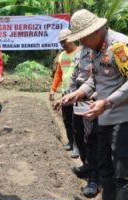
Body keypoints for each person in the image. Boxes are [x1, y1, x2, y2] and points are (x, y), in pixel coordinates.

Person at [60, 9, 128, 200]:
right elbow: (95, 79)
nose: (81, 42)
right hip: (106, 115)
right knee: (104, 164)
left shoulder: (120, 46)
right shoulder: (94, 48)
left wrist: (107, 102)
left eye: (83, 37)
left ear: (96, 30)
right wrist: (78, 93)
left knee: (123, 171)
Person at [65, 45, 99, 198]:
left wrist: (96, 96)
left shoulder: (100, 49)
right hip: (79, 95)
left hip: (93, 97)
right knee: (77, 131)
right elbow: (74, 75)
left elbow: (102, 79)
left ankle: (94, 178)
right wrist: (69, 92)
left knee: (91, 136)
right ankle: (86, 164)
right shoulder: (80, 50)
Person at [49, 29, 80, 158]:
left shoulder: (80, 53)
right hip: (65, 93)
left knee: (77, 121)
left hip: (78, 93)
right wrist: (53, 88)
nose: (63, 44)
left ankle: (78, 146)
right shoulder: (61, 56)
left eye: (65, 41)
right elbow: (58, 74)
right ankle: (70, 142)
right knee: (67, 119)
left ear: (72, 38)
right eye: (61, 42)